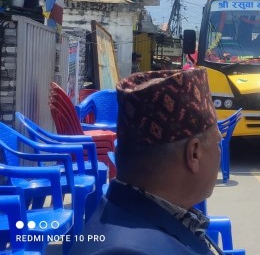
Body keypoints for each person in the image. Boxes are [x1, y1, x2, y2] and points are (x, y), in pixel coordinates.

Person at [72, 69, 224, 254]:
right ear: (194, 154)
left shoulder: (139, 218)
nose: (219, 151)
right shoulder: (126, 251)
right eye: (218, 142)